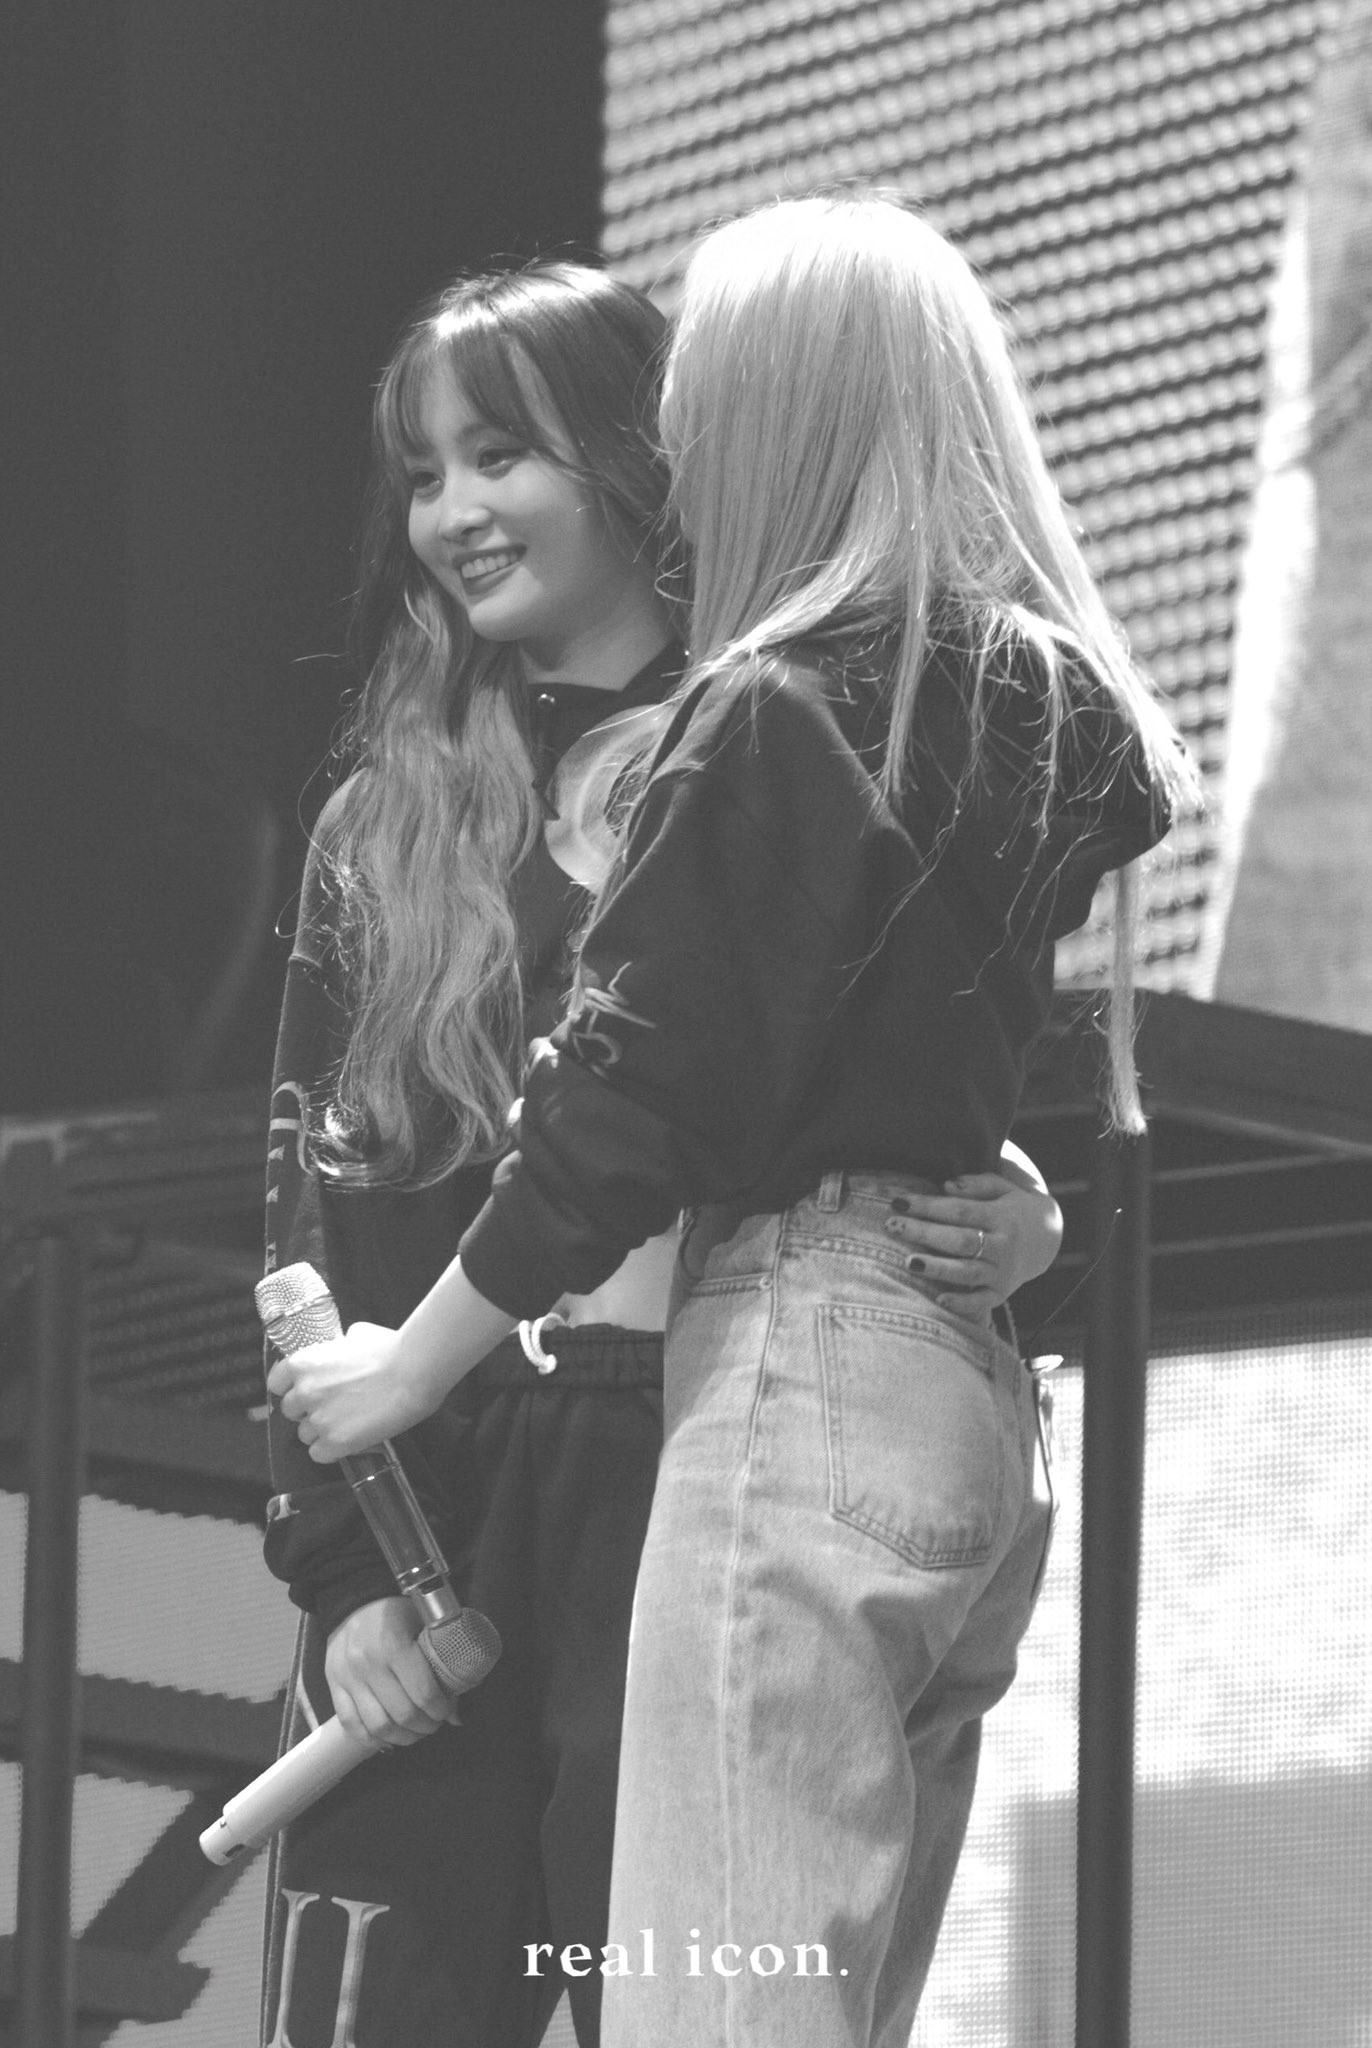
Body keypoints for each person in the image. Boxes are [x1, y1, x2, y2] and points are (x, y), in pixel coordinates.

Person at [260, 251, 1064, 2048]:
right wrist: (347, 1578)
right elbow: (308, 1219)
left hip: (704, 1459)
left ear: (643, 454)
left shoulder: (785, 744)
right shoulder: (383, 827)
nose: (455, 514)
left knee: (704, 2003)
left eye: (502, 456)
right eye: (423, 475)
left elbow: (909, 1091)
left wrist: (1025, 1220)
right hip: (439, 1511)